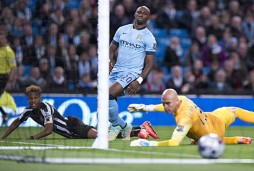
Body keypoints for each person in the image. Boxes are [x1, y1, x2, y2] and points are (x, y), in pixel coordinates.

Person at [129, 89, 254, 146]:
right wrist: (145, 107)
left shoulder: (185, 118)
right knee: (235, 111)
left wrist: (147, 144)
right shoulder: (182, 100)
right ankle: (240, 139)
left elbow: (173, 143)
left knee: (199, 140)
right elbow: (164, 105)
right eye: (163, 103)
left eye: (168, 104)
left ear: (176, 102)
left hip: (214, 133)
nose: (165, 107)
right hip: (211, 118)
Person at [0, 85, 159, 140]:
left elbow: (49, 129)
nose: (33, 101)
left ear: (39, 98)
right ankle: (141, 128)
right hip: (71, 133)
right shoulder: (28, 110)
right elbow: (15, 122)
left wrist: (33, 137)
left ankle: (141, 129)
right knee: (104, 134)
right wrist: (3, 137)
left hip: (73, 126)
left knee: (103, 137)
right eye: (30, 99)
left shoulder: (45, 107)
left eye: (35, 98)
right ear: (27, 99)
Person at [108, 6, 156, 141]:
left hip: (132, 73)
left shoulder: (149, 37)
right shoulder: (122, 30)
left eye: (144, 13)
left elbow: (150, 64)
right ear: (135, 13)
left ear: (148, 17)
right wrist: (108, 61)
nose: (140, 14)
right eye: (139, 11)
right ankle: (126, 127)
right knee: (103, 102)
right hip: (117, 70)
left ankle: (116, 126)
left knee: (109, 94)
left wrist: (138, 80)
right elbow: (111, 49)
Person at [0, 32, 17, 125]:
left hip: (3, 77)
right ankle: (4, 114)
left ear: (5, 39)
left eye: (2, 39)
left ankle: (4, 114)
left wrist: (10, 81)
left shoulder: (9, 51)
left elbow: (14, 67)